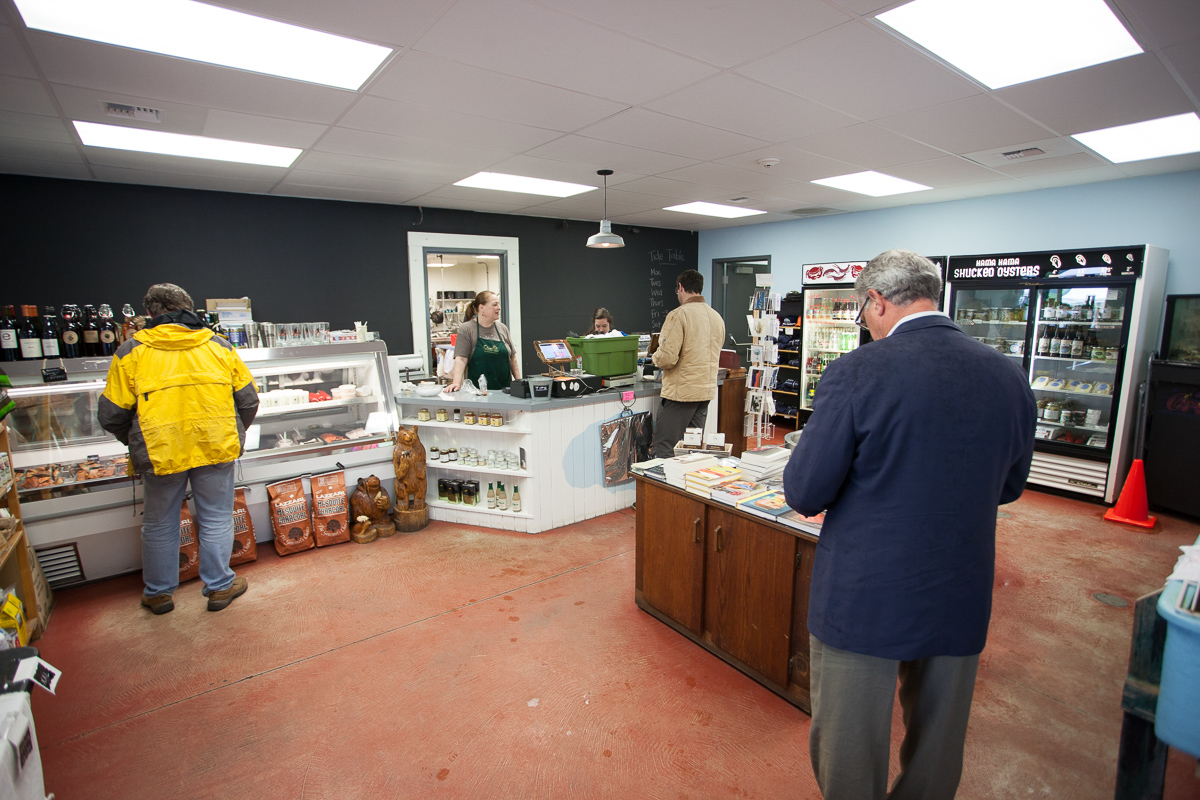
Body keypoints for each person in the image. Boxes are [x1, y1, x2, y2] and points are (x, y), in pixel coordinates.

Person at [783, 250, 1036, 800]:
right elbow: (1011, 485)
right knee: (938, 748)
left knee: (850, 746)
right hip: (960, 586)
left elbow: (805, 492)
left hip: (865, 593)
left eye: (862, 313)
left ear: (875, 301)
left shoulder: (857, 371)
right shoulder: (1007, 374)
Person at [99, 284, 259, 615]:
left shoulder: (131, 351)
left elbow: (111, 414)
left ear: (150, 313)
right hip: (215, 444)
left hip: (160, 450)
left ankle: (158, 594)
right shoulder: (218, 346)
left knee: (160, 523)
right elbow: (248, 400)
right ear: (188, 308)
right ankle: (220, 587)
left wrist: (135, 440)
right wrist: (234, 430)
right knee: (216, 517)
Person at [650, 269, 725, 458]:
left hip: (681, 394)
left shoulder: (678, 315)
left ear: (680, 287)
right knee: (692, 450)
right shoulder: (716, 317)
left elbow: (667, 358)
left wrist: (654, 358)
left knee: (665, 447)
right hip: (704, 393)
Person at [447, 291, 520, 392]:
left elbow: (512, 358)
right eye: (494, 304)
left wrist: (519, 382)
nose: (499, 307)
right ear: (481, 308)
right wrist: (456, 383)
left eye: (498, 304)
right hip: (477, 393)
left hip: (505, 391)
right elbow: (461, 359)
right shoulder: (467, 329)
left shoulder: (502, 328)